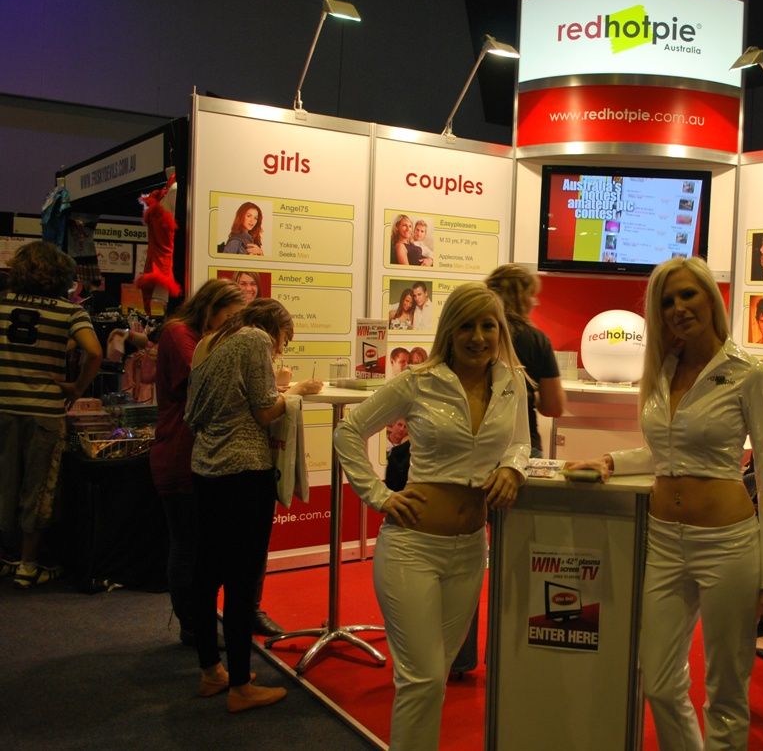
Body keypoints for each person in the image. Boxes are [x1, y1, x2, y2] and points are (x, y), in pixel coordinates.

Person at [568, 256, 763, 750]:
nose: (678, 308)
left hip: (728, 544)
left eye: (688, 295)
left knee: (726, 692)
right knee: (659, 681)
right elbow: (666, 452)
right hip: (665, 541)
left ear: (711, 298)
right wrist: (613, 459)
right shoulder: (662, 370)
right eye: (667, 301)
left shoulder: (749, 374)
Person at [333, 282, 530, 750]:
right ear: (449, 331)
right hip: (412, 549)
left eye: (488, 326)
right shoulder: (419, 380)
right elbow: (349, 431)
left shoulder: (511, 381)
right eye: (466, 326)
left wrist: (512, 467)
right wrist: (379, 495)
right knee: (421, 679)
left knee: (434, 677)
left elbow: (520, 441)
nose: (478, 337)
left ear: (500, 331)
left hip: (470, 550)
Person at [184, 298, 322, 711]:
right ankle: (241, 686)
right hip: (244, 470)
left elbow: (198, 409)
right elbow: (264, 411)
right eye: (284, 341)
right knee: (243, 581)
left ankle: (212, 671)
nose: (279, 349)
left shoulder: (210, 341)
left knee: (206, 575)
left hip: (205, 466)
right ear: (275, 328)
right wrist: (296, 392)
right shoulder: (255, 339)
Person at [0, 242, 102, 588]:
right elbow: (94, 351)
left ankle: (4, 555)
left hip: (3, 407)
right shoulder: (68, 312)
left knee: (4, 483)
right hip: (44, 412)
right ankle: (27, 565)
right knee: (39, 487)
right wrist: (76, 387)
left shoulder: (2, 304)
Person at [150, 279, 246, 645]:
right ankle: (192, 626)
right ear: (210, 308)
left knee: (203, 545)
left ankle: (201, 623)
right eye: (230, 317)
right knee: (188, 544)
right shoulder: (179, 334)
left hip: (200, 452)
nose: (233, 325)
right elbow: (204, 381)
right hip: (181, 453)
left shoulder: (202, 337)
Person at [485, 264, 566, 457]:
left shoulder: (470, 337)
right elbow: (554, 407)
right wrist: (529, 395)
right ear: (520, 299)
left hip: (478, 446)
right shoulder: (536, 340)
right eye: (531, 295)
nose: (535, 302)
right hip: (523, 446)